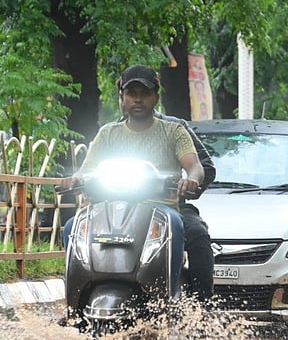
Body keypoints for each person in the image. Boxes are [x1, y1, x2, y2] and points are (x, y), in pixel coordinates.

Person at [65, 64, 205, 295]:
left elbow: (195, 166)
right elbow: (86, 169)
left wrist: (191, 179)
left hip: (160, 208)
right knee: (72, 226)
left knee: (176, 224)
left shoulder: (174, 131)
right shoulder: (108, 133)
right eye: (131, 94)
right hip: (109, 209)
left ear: (156, 97)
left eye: (145, 93)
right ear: (122, 98)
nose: (138, 99)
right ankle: (74, 300)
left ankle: (168, 296)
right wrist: (74, 179)